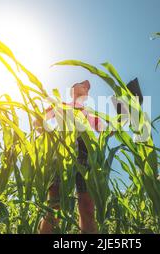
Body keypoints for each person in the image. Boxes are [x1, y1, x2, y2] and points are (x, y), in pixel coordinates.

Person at [36, 80, 105, 234]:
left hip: (86, 156)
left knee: (87, 208)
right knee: (54, 207)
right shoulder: (59, 106)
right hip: (61, 155)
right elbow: (38, 122)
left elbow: (105, 130)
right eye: (83, 84)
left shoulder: (88, 113)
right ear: (72, 89)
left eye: (88, 87)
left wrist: (126, 114)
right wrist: (52, 139)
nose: (87, 87)